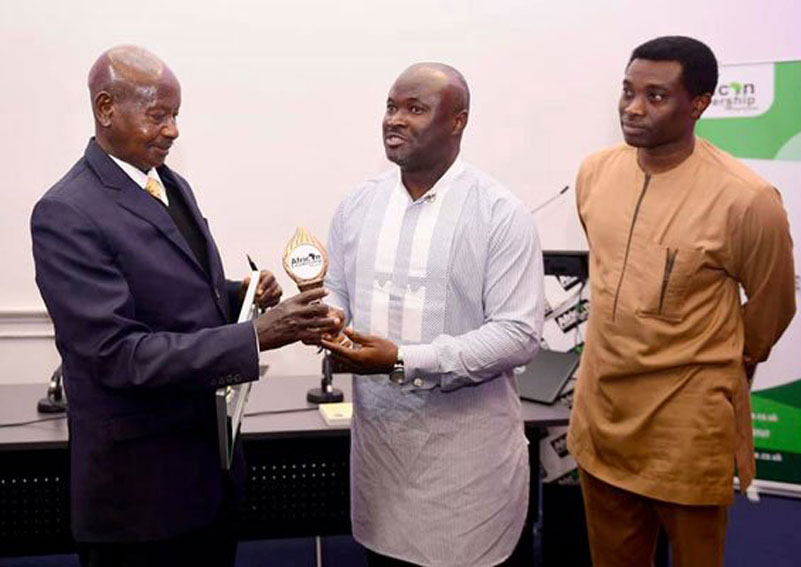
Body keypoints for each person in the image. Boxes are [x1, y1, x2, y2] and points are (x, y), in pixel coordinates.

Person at [30, 45, 338, 567]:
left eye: (175, 116)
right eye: (159, 115)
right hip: (141, 501)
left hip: (206, 480)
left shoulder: (168, 183)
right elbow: (120, 354)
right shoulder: (66, 211)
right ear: (106, 109)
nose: (173, 130)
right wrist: (258, 335)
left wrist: (240, 294)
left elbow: (173, 291)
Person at [566, 36, 796, 566]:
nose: (632, 108)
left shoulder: (747, 198)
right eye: (627, 91)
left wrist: (729, 361)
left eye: (655, 95)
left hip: (685, 423)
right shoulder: (596, 173)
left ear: (699, 104)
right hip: (601, 412)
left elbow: (772, 304)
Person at [320, 63, 544, 567]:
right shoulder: (359, 203)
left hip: (467, 475)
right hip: (382, 463)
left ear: (458, 121)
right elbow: (336, 287)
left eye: (415, 109)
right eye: (391, 107)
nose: (395, 120)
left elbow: (518, 334)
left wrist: (403, 359)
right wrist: (330, 319)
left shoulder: (499, 213)